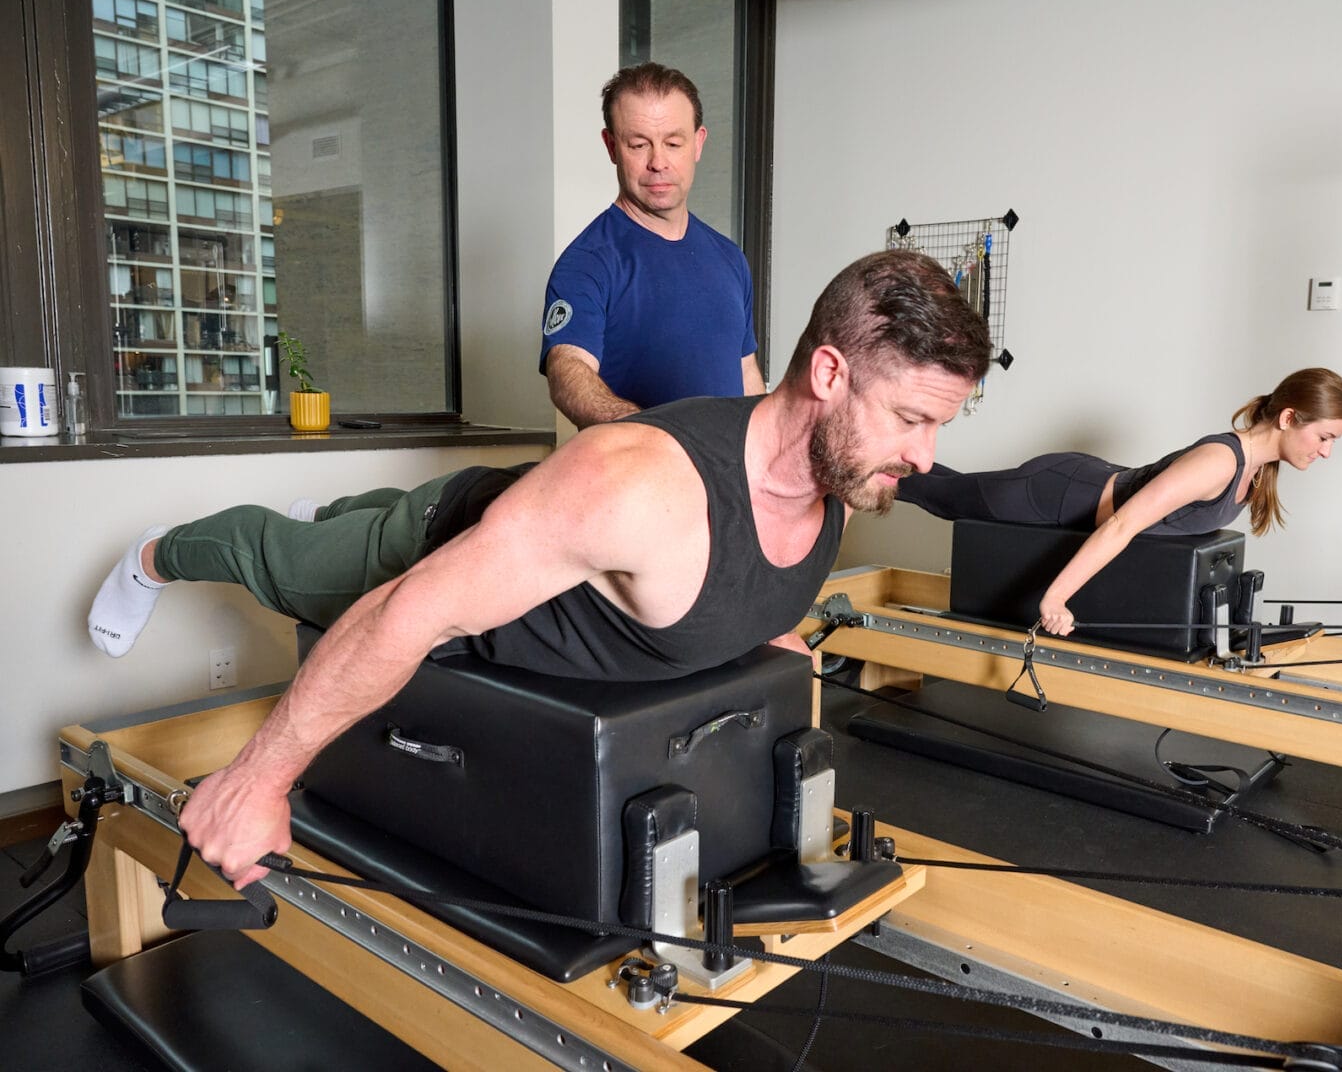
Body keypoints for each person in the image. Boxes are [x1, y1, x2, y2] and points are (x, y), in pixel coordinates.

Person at [87, 249, 990, 886]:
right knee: (280, 562)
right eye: (912, 419)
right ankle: (156, 556)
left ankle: (321, 522)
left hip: (526, 521)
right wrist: (257, 780)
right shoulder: (639, 488)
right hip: (437, 543)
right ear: (829, 375)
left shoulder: (836, 480)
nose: (926, 453)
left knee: (338, 530)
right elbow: (408, 616)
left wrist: (765, 627)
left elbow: (745, 571)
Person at [897, 367, 1342, 636]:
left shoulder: (1257, 472)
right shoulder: (1220, 461)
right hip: (1056, 492)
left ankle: (883, 460)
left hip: (1077, 485)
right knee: (941, 496)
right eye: (1324, 436)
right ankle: (857, 464)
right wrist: (1055, 597)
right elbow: (1122, 525)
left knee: (946, 486)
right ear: (1289, 417)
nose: (1326, 451)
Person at [540, 62, 764, 428]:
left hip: (728, 481)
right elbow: (568, 371)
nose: (658, 162)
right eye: (639, 144)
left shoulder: (730, 258)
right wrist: (658, 435)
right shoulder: (587, 263)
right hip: (639, 477)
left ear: (698, 143)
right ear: (612, 146)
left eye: (673, 143)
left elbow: (746, 373)